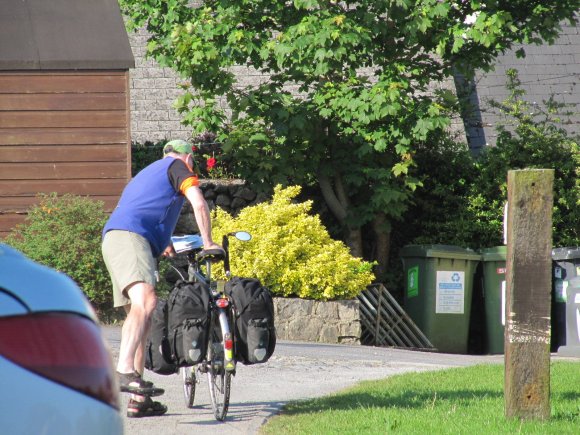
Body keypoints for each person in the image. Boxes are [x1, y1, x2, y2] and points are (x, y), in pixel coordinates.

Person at [102, 139, 223, 418]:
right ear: (188, 158)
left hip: (120, 239)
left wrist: (163, 241)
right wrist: (208, 243)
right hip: (130, 238)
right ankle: (123, 371)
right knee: (146, 300)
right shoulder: (179, 166)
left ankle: (138, 400)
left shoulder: (147, 174)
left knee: (141, 318)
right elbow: (199, 203)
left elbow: (147, 209)